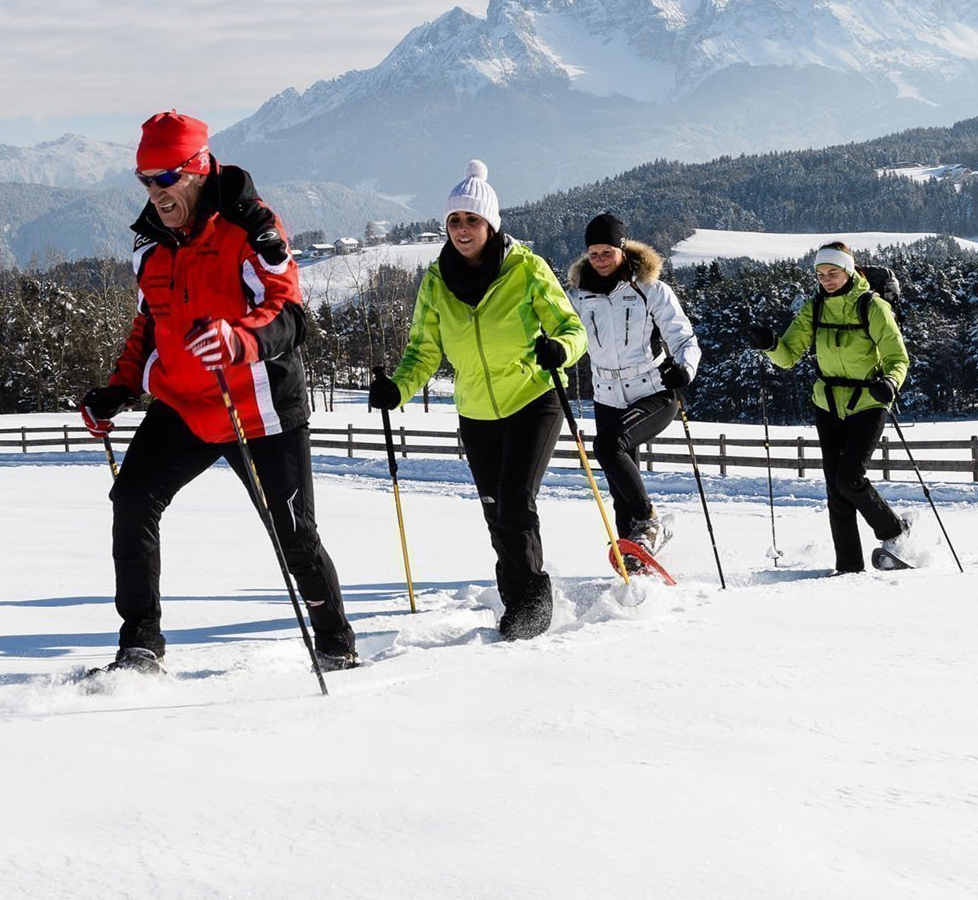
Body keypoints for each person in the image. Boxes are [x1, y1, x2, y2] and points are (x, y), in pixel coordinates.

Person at [78, 111, 357, 674]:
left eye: (166, 177)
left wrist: (240, 338)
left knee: (294, 534)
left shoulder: (250, 227)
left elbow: (290, 315)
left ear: (199, 168)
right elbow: (148, 324)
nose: (155, 192)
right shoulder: (149, 243)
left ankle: (335, 645)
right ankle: (139, 646)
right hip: (184, 404)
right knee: (131, 502)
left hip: (257, 406)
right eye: (144, 179)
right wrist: (119, 388)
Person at [367, 161, 588, 641]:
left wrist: (560, 349)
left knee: (513, 502)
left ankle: (532, 607)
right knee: (494, 509)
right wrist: (398, 388)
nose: (463, 229)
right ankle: (518, 603)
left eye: (472, 220)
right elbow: (424, 350)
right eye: (454, 221)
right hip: (475, 412)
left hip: (533, 398)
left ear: (491, 224)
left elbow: (573, 330)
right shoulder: (436, 281)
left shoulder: (526, 268)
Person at [747, 242, 910, 573]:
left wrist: (890, 383)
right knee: (835, 487)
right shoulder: (815, 308)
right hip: (828, 403)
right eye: (820, 274)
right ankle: (848, 567)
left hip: (869, 401)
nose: (826, 280)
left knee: (850, 478)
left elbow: (897, 357)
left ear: (848, 271)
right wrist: (770, 345)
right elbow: (789, 355)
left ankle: (894, 530)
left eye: (832, 273)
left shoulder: (872, 306)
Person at [566, 213, 700, 555]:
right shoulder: (579, 296)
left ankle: (649, 520)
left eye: (607, 252)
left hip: (653, 392)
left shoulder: (650, 289)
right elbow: (562, 334)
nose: (599, 260)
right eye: (593, 253)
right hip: (606, 395)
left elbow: (684, 338)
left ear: (622, 249)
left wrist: (684, 370)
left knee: (608, 446)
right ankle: (634, 553)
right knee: (619, 488)